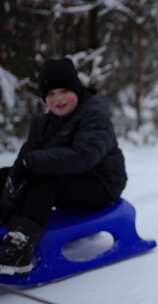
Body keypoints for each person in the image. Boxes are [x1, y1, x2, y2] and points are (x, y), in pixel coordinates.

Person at [0, 57, 127, 275]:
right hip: (70, 180)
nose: (57, 99)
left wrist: (34, 163)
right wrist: (14, 177)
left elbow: (84, 156)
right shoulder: (43, 123)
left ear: (76, 89)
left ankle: (19, 250)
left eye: (63, 90)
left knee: (45, 178)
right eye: (50, 94)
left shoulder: (94, 114)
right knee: (6, 175)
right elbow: (27, 157)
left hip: (101, 184)